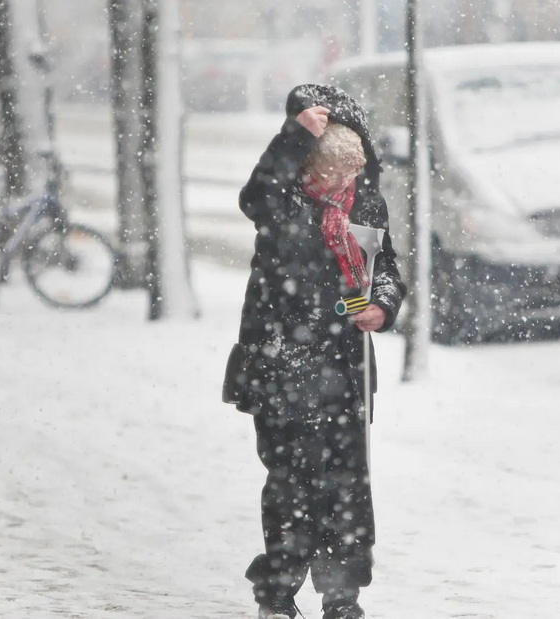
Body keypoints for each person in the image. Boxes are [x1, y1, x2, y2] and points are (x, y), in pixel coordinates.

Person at [226, 84, 406, 619]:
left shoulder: (364, 203)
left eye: (351, 175)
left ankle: (343, 596)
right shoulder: (283, 199)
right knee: (291, 485)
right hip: (282, 360)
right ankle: (278, 594)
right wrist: (293, 136)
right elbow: (254, 196)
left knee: (347, 487)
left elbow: (385, 266)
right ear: (309, 167)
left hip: (344, 366)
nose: (342, 186)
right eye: (332, 176)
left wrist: (383, 306)